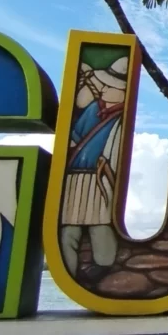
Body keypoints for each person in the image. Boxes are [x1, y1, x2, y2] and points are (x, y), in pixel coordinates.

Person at [61, 56, 128, 283]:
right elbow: (74, 138)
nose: (103, 91)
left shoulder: (122, 120)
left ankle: (103, 264)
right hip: (75, 177)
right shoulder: (92, 110)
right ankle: (69, 270)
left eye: (109, 86)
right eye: (104, 85)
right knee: (70, 227)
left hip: (101, 178)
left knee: (101, 223)